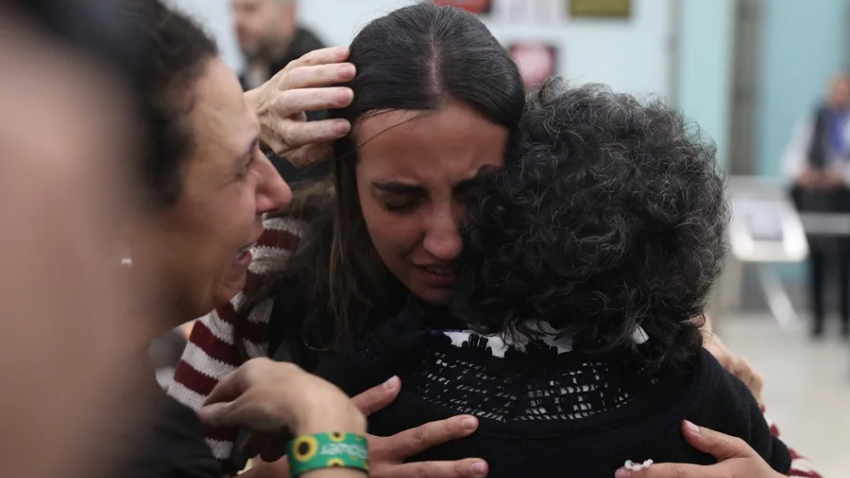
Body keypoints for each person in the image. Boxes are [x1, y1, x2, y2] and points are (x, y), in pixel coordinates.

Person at [170, 4, 822, 478]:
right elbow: (148, 453)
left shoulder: (581, 281)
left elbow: (778, 457)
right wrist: (300, 469)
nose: (446, 241)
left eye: (481, 194)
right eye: (401, 198)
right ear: (345, 178)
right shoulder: (278, 262)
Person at [309, 81, 792, 477]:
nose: (445, 242)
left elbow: (296, 432)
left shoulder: (384, 376)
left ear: (503, 220)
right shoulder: (704, 391)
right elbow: (779, 464)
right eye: (402, 200)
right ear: (676, 254)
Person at [784, 72, 850, 338]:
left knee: (846, 263)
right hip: (817, 200)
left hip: (843, 200)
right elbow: (793, 156)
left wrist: (839, 176)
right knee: (817, 261)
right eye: (835, 89)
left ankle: (846, 319)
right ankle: (818, 320)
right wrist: (806, 174)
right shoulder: (816, 118)